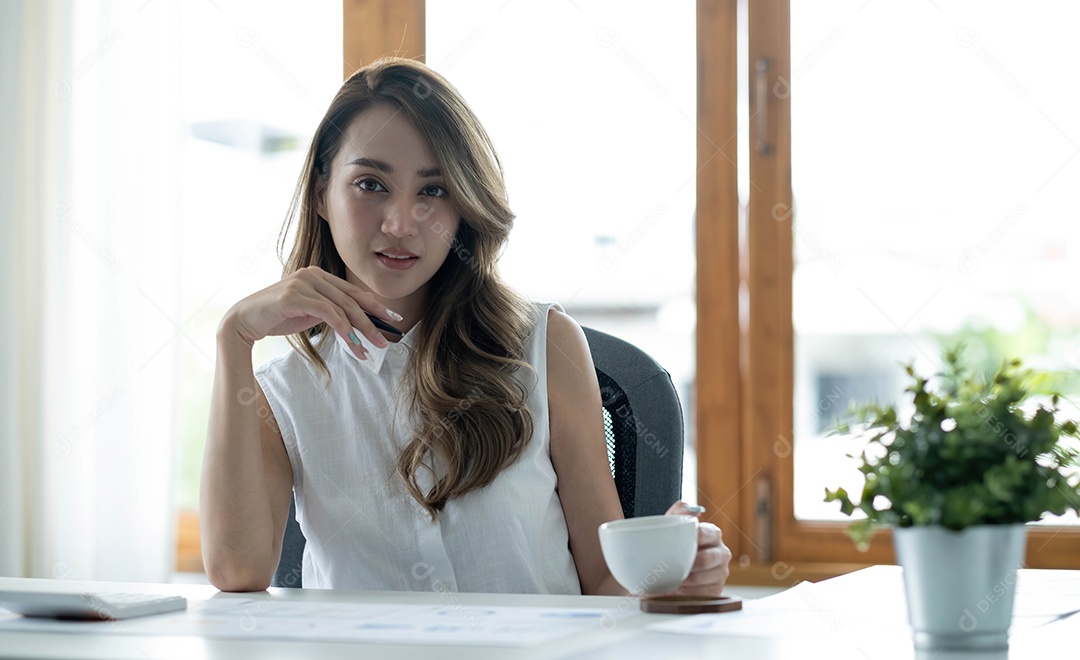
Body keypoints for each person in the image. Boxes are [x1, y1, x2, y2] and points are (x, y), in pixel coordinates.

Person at [200, 57, 731, 595]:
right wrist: (233, 338)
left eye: (433, 191)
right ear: (321, 195)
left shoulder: (545, 345)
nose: (400, 224)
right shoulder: (283, 392)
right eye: (370, 184)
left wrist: (672, 576)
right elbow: (237, 572)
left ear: (464, 207)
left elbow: (607, 579)